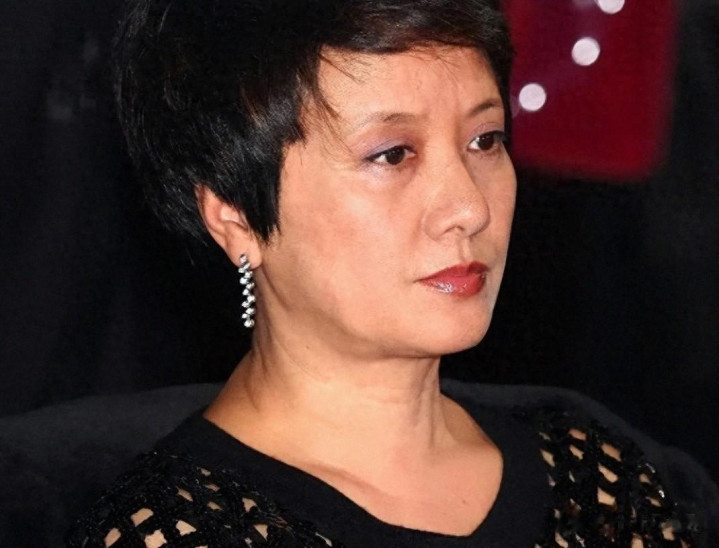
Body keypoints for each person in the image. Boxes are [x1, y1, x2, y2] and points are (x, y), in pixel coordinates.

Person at [67, 0, 718, 546]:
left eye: (485, 141)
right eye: (392, 155)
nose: (468, 207)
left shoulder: (591, 472)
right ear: (234, 215)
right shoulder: (180, 531)